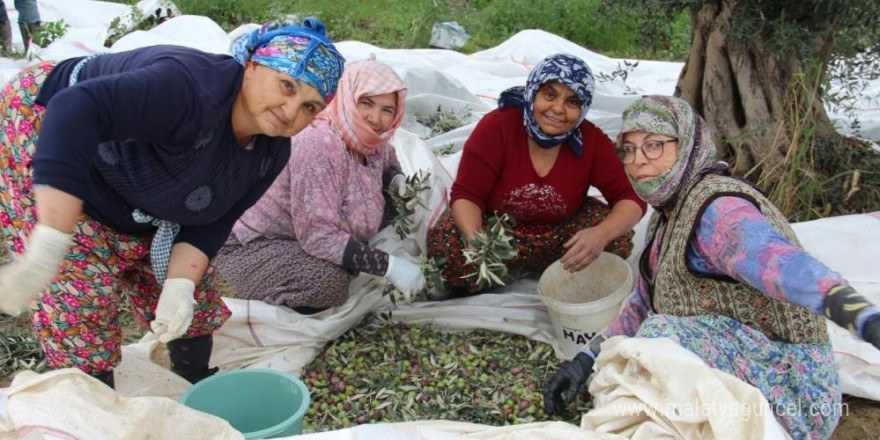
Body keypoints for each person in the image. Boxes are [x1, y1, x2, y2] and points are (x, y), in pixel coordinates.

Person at [0, 18, 345, 389]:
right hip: (53, 129)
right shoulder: (189, 87)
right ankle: (95, 407)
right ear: (253, 65)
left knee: (187, 296)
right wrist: (51, 238)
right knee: (78, 291)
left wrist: (180, 285)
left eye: (309, 107)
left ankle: (195, 383)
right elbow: (74, 109)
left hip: (147, 180)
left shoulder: (271, 152)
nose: (291, 111)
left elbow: (214, 220)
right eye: (286, 85)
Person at [542, 95, 880, 439]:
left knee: (659, 341)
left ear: (687, 144)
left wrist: (861, 316)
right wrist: (585, 360)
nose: (638, 160)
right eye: (628, 149)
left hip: (795, 390)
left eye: (654, 145)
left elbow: (779, 263)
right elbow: (642, 306)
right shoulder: (667, 216)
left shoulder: (717, 210)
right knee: (643, 343)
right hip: (741, 361)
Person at [215, 58, 425, 312]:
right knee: (327, 285)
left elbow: (389, 160)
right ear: (348, 98)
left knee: (397, 207)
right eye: (366, 103)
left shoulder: (371, 141)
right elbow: (317, 236)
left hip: (308, 234)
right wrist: (389, 266)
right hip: (257, 243)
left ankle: (342, 257)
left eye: (387, 110)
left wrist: (396, 180)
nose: (375, 118)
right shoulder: (319, 143)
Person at [427, 53, 645, 294]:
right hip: (497, 234)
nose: (558, 109)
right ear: (533, 93)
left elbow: (630, 198)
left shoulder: (591, 141)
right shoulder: (498, 127)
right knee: (448, 245)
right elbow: (467, 194)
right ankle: (490, 274)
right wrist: (477, 241)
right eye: (549, 95)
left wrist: (601, 235)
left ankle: (562, 276)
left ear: (583, 108)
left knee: (615, 239)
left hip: (560, 237)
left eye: (572, 102)